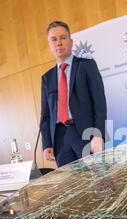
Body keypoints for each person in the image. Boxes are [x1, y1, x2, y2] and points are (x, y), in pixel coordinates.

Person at [40, 21, 107, 167]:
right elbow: (45, 116)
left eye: (63, 38)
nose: (59, 43)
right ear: (50, 45)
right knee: (70, 186)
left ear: (71, 41)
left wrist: (98, 134)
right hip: (60, 139)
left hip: (86, 134)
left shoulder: (86, 65)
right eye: (54, 39)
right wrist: (46, 144)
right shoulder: (47, 78)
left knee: (100, 183)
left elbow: (99, 103)